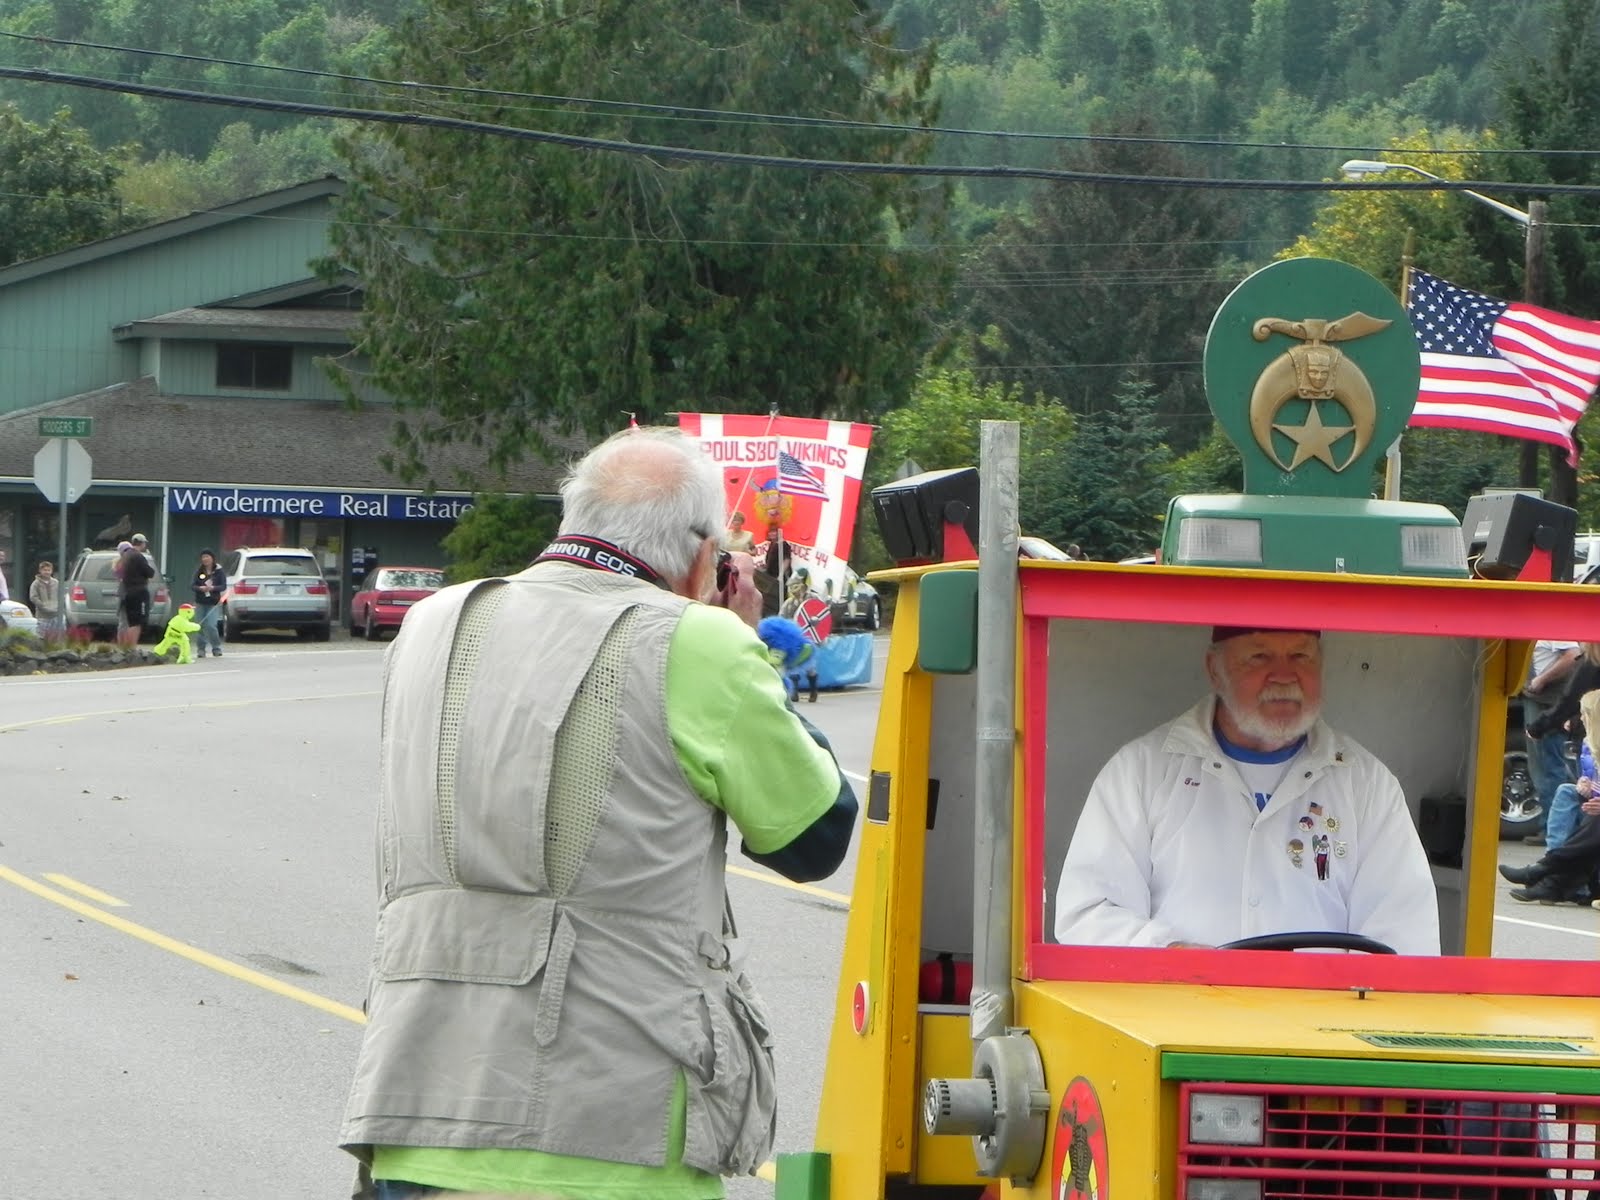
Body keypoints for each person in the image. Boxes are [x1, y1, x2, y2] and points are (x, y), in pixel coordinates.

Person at [340, 427, 858, 1200]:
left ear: (572, 517)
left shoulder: (431, 622)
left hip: (417, 1110)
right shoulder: (698, 641)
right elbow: (812, 836)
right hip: (613, 1134)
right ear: (703, 556)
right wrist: (745, 648)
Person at [1054, 626, 1440, 954]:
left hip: (1323, 1017)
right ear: (1215, 670)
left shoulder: (1367, 783)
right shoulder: (1141, 770)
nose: (1284, 676)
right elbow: (1089, 914)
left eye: (1301, 656)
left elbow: (1405, 936)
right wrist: (1175, 955)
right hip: (1178, 1010)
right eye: (1259, 657)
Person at [1520, 639, 1581, 845]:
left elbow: (1572, 655)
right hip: (1542, 703)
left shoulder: (1553, 631)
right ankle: (1555, 829)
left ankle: (1553, 830)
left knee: (1550, 770)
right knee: (1549, 769)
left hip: (1547, 705)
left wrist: (1541, 680)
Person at [116, 535, 156, 648]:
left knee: (129, 622)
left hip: (127, 592)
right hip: (139, 592)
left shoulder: (125, 556)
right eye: (144, 543)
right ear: (142, 543)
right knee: (137, 623)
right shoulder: (138, 556)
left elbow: (119, 574)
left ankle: (124, 648)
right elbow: (150, 573)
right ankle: (131, 648)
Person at [190, 549, 226, 658]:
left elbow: (223, 586)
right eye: (203, 557)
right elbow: (192, 585)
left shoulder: (219, 571)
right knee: (200, 626)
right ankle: (201, 649)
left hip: (213, 603)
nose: (205, 559)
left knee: (211, 625)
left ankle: (216, 648)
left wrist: (213, 588)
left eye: (207, 557)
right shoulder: (199, 571)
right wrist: (200, 588)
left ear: (212, 558)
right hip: (200, 602)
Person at [29, 560, 62, 639]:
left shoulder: (56, 583)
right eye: (44, 570)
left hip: (55, 615)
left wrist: (58, 606)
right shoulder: (35, 583)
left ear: (51, 571)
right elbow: (33, 597)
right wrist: (42, 606)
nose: (47, 572)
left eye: (48, 570)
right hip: (42, 616)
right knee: (42, 637)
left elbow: (61, 595)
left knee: (56, 636)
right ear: (40, 571)